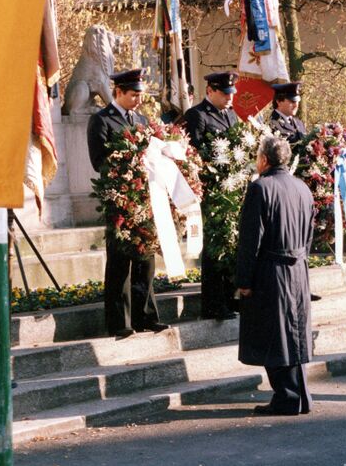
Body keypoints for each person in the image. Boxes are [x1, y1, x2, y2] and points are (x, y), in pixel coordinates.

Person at [234, 136, 315, 415]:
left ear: (264, 160)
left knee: (276, 334)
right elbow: (309, 234)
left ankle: (287, 397)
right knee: (293, 334)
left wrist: (244, 281)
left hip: (272, 270)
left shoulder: (260, 188)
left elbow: (250, 241)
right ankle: (299, 395)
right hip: (298, 269)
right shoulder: (303, 187)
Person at [87, 68, 168, 338]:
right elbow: (99, 161)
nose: (139, 100)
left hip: (144, 196)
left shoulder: (142, 120)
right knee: (120, 262)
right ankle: (120, 322)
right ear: (118, 92)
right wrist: (128, 164)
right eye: (134, 95)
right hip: (120, 199)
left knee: (146, 259)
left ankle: (146, 316)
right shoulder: (101, 121)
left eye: (140, 95)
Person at [183, 72, 240, 321]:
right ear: (211, 91)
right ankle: (214, 304)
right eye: (225, 94)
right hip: (211, 192)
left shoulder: (231, 114)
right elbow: (194, 153)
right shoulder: (197, 115)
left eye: (231, 94)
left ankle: (229, 298)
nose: (229, 99)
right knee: (214, 248)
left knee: (230, 245)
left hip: (231, 191)